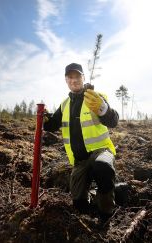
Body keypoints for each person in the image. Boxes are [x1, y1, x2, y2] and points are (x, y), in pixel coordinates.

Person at [43, 63, 119, 219]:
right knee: (79, 205)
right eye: (70, 77)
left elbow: (113, 121)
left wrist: (104, 109)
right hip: (80, 160)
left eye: (77, 76)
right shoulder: (64, 105)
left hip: (101, 151)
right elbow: (51, 125)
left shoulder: (94, 97)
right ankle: (96, 195)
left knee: (102, 167)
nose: (74, 80)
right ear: (66, 80)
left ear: (83, 78)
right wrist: (43, 118)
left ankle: (107, 212)